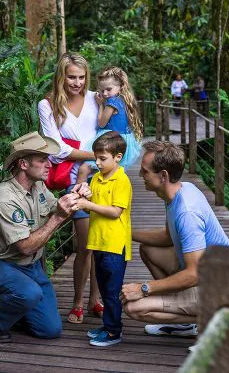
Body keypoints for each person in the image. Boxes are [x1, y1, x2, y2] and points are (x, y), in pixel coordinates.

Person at [0, 132, 91, 342]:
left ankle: (18, 308)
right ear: (23, 164)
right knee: (29, 294)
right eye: (42, 160)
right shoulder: (3, 198)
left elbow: (57, 206)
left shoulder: (37, 185)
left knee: (50, 330)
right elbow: (26, 247)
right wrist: (57, 218)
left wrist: (77, 194)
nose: (49, 165)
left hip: (32, 267)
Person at [120, 140, 229, 336]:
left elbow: (193, 274)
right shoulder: (179, 190)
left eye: (145, 171)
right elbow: (168, 237)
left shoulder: (187, 212)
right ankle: (184, 320)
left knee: (134, 308)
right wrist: (126, 233)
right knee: (147, 249)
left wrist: (143, 289)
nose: (140, 175)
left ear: (163, 176)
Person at [37, 52, 103, 324]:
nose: (77, 82)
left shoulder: (96, 99)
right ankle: (77, 301)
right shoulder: (48, 104)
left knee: (103, 244)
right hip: (74, 181)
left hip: (105, 178)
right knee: (85, 244)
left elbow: (112, 131)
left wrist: (100, 158)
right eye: (71, 77)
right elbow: (56, 150)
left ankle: (95, 300)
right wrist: (97, 155)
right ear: (61, 76)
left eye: (81, 77)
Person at [75, 132, 133, 347]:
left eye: (102, 159)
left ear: (118, 157)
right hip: (98, 241)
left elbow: (115, 211)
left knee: (111, 291)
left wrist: (87, 206)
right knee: (103, 285)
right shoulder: (98, 178)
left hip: (115, 245)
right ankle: (108, 324)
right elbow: (96, 201)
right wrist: (84, 192)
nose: (97, 162)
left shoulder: (122, 180)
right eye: (96, 158)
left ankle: (113, 332)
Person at [75, 66, 144, 185]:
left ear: (120, 87)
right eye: (102, 90)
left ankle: (77, 198)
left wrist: (101, 105)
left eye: (108, 89)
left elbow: (101, 123)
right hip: (122, 140)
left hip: (110, 140)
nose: (105, 93)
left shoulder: (111, 103)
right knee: (110, 173)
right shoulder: (123, 100)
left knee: (83, 169)